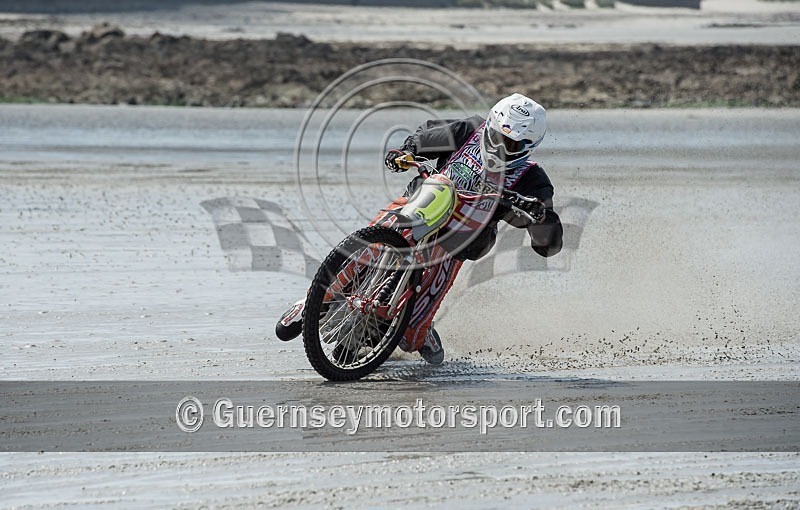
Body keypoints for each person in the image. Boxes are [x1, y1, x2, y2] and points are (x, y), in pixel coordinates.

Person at [277, 93, 563, 365]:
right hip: (417, 205)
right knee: (371, 238)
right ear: (489, 125)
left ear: (527, 146)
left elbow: (548, 244)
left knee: (412, 336)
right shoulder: (469, 129)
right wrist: (405, 152)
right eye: (496, 136)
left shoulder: (532, 179)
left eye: (510, 144)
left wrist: (539, 218)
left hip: (457, 240)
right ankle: (314, 298)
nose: (499, 146)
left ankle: (421, 329)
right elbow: (424, 137)